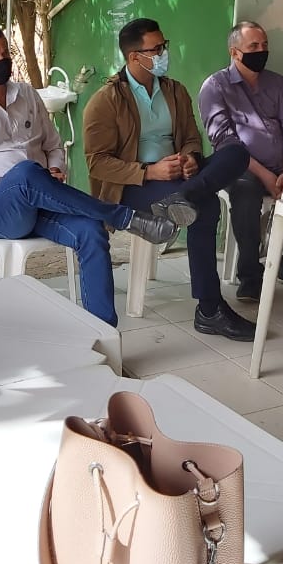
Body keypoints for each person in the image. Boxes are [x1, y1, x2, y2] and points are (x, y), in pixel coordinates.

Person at [0, 22, 183, 327]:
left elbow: (53, 145)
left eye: (5, 54)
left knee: (92, 231)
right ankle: (123, 216)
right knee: (26, 173)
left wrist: (55, 168)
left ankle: (102, 332)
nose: (2, 62)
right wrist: (8, 184)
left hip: (43, 200)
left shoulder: (26, 95)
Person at [84, 18, 255, 341]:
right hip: (134, 186)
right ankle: (209, 309)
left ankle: (185, 194)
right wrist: (150, 171)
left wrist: (190, 158)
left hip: (179, 178)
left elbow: (190, 137)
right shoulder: (106, 101)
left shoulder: (175, 91)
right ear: (134, 57)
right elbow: (98, 163)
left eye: (164, 46)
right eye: (157, 49)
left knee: (236, 153)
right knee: (206, 207)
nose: (164, 53)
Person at [200, 20, 283, 301]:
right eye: (253, 46)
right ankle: (250, 275)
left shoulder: (277, 84)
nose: (261, 51)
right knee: (245, 194)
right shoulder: (215, 87)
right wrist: (265, 176)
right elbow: (225, 143)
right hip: (240, 167)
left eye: (265, 45)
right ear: (235, 53)